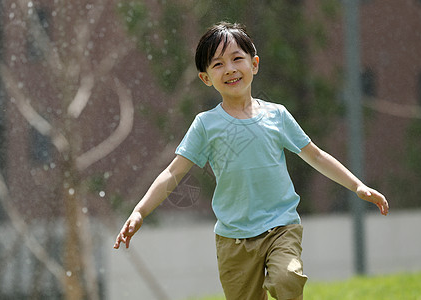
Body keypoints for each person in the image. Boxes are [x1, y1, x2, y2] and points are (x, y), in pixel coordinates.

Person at [114, 21, 389, 300]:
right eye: (218, 64)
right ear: (206, 77)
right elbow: (173, 173)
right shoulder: (206, 125)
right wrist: (140, 211)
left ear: (254, 64)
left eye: (237, 59)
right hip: (234, 239)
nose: (230, 69)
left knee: (287, 277)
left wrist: (357, 186)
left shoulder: (277, 116)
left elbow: (315, 155)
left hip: (281, 226)